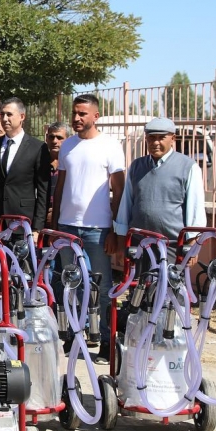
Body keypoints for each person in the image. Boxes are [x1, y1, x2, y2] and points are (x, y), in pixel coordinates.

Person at [51, 95, 126, 361]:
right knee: (71, 285)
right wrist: (55, 227)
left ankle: (106, 340)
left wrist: (116, 230)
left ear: (96, 116)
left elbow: (119, 191)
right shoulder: (68, 146)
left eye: (82, 113)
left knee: (102, 287)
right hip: (67, 228)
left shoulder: (110, 146)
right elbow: (60, 187)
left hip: (98, 229)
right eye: (74, 113)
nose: (76, 118)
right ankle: (75, 337)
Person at [114, 116, 207, 261]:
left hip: (172, 245)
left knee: (170, 277)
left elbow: (195, 209)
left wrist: (192, 245)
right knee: (139, 277)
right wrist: (121, 241)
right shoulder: (136, 166)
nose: (155, 143)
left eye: (161, 138)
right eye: (151, 138)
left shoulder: (188, 167)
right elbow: (126, 205)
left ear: (173, 138)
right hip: (139, 243)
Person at [0, 98, 51, 234]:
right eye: (2, 115)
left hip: (24, 223)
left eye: (9, 114)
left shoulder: (37, 147)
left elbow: (43, 191)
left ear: (22, 116)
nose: (5, 119)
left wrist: (37, 228)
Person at [44, 121, 69, 225]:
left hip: (66, 217)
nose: (55, 141)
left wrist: (56, 212)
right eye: (51, 137)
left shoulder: (71, 165)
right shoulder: (39, 162)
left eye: (59, 138)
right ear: (46, 138)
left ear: (68, 139)